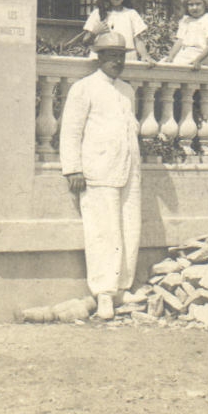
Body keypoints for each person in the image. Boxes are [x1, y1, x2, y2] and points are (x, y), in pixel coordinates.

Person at [58, 31, 143, 320]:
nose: (117, 61)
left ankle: (122, 289)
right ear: (99, 57)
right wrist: (73, 168)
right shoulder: (84, 88)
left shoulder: (127, 91)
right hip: (97, 171)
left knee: (129, 229)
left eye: (120, 56)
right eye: (110, 56)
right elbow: (71, 130)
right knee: (102, 231)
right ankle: (104, 293)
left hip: (128, 169)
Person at [77, 0, 152, 61]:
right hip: (102, 62)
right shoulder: (97, 14)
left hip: (125, 62)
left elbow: (138, 40)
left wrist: (145, 55)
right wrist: (95, 32)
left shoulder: (131, 14)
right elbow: (85, 41)